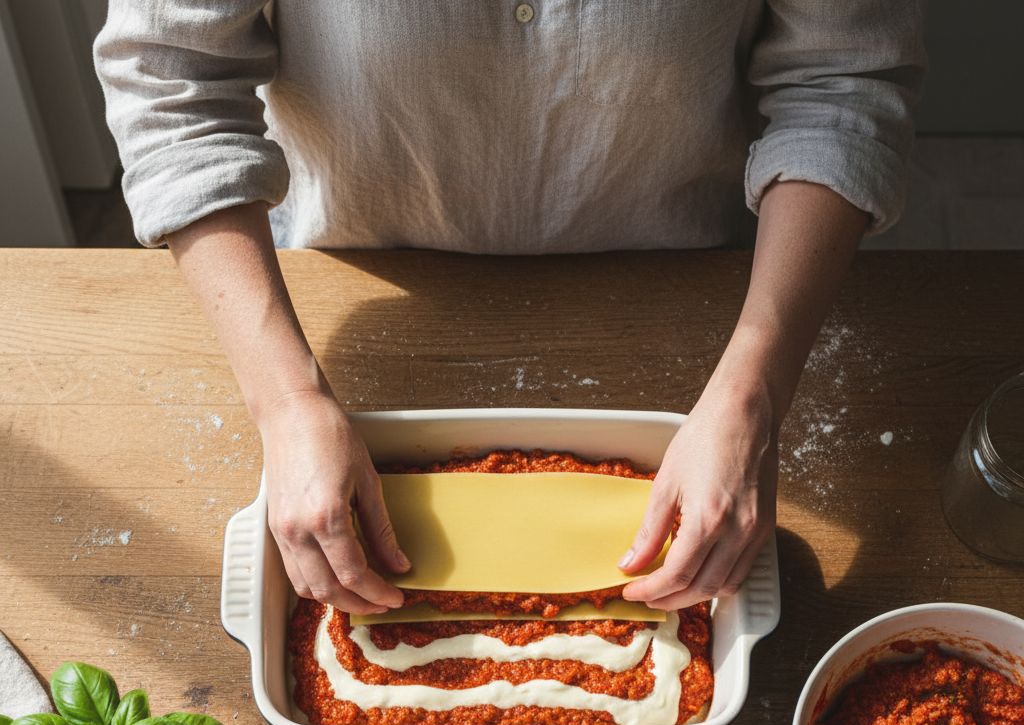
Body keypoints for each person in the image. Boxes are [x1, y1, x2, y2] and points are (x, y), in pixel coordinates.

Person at [94, 2, 924, 616]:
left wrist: (755, 394)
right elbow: (173, 83)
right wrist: (285, 403)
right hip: (351, 284)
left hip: (700, 305)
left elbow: (841, 81)